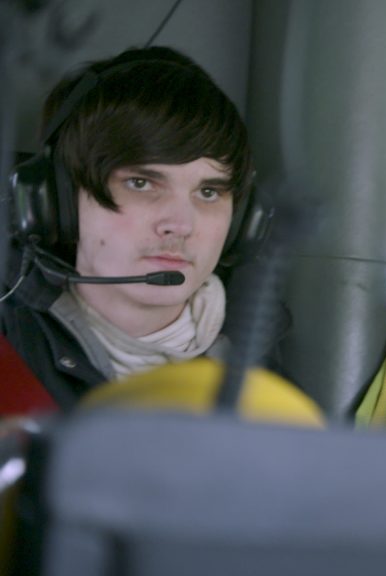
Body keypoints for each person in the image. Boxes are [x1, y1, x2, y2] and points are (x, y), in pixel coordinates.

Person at [0, 46, 281, 410]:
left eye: (209, 192)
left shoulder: (271, 379)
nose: (180, 225)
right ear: (57, 201)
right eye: (141, 183)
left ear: (243, 221)